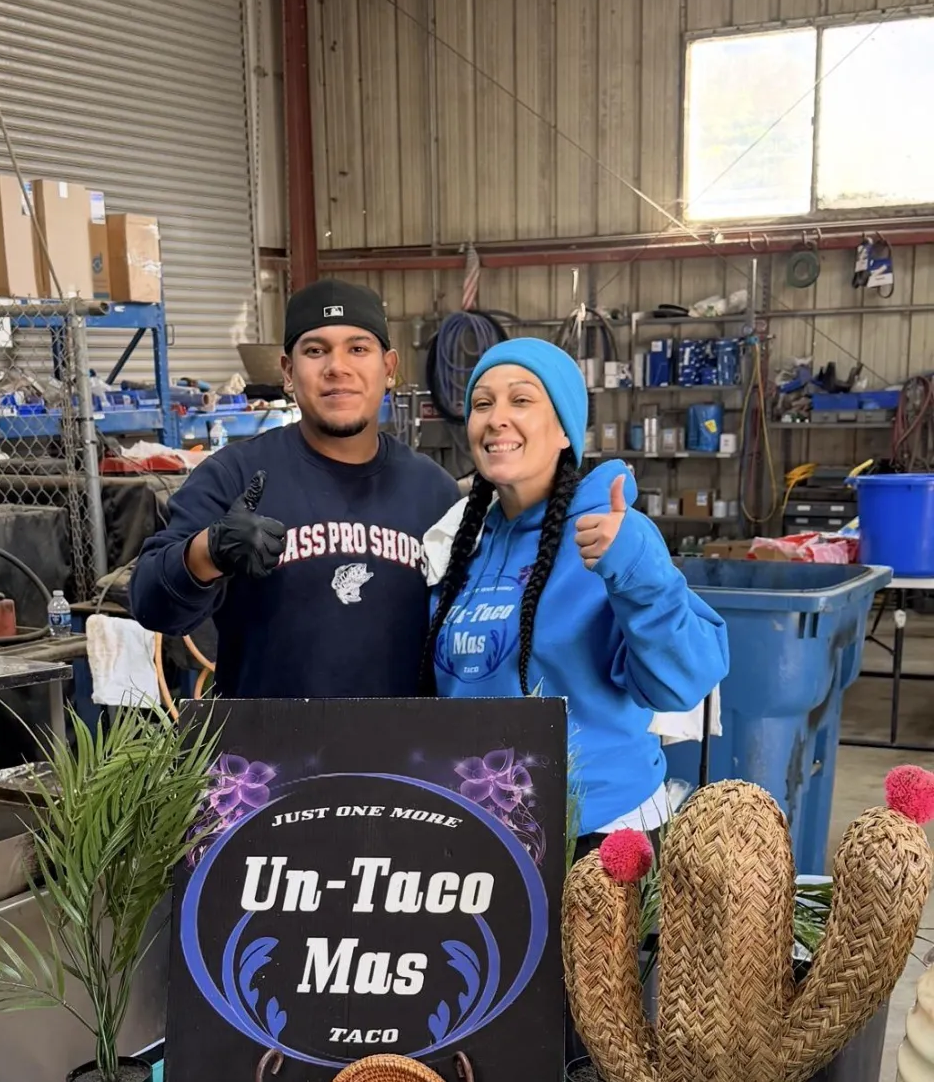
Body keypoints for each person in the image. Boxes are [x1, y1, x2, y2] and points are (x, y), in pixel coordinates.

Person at [422, 338, 729, 842]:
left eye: (521, 401)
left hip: (599, 834)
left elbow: (682, 682)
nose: (498, 418)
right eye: (483, 403)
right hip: (485, 829)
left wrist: (636, 570)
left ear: (564, 429)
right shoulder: (460, 541)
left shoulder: (610, 531)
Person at [130, 279, 459, 698]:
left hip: (403, 757)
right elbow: (152, 606)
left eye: (357, 349)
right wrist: (206, 552)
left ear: (389, 367)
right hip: (265, 758)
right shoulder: (235, 476)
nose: (337, 367)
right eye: (316, 350)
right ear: (288, 371)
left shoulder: (434, 493)